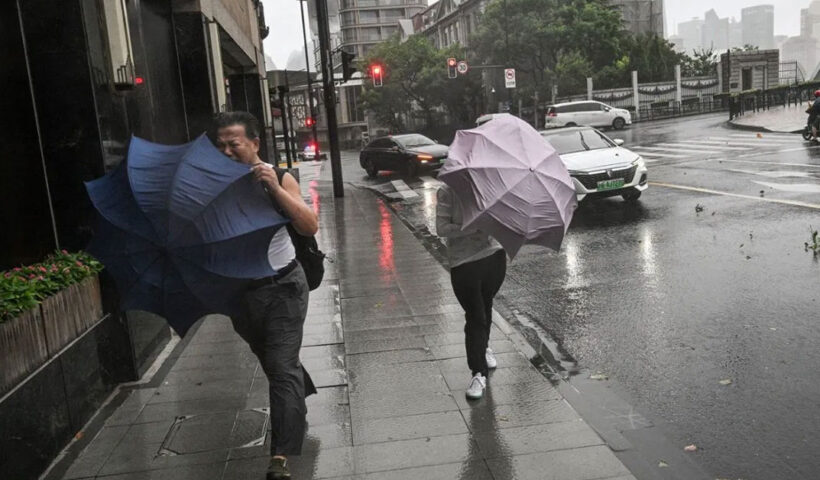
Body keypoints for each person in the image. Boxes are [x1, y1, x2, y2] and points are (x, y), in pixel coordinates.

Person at [209, 111, 318, 480]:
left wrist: (272, 185)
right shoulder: (215, 186)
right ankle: (298, 396)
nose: (226, 152)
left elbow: (308, 223)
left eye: (233, 144)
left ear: (254, 144)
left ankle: (281, 457)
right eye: (220, 145)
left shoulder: (280, 176)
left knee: (280, 368)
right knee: (274, 361)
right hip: (240, 293)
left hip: (284, 286)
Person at [436, 184, 506, 400]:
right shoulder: (448, 192)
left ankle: (483, 347)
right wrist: (472, 226)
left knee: (485, 305)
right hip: (464, 262)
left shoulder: (492, 187)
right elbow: (441, 229)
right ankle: (478, 373)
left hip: (493, 256)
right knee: (475, 315)